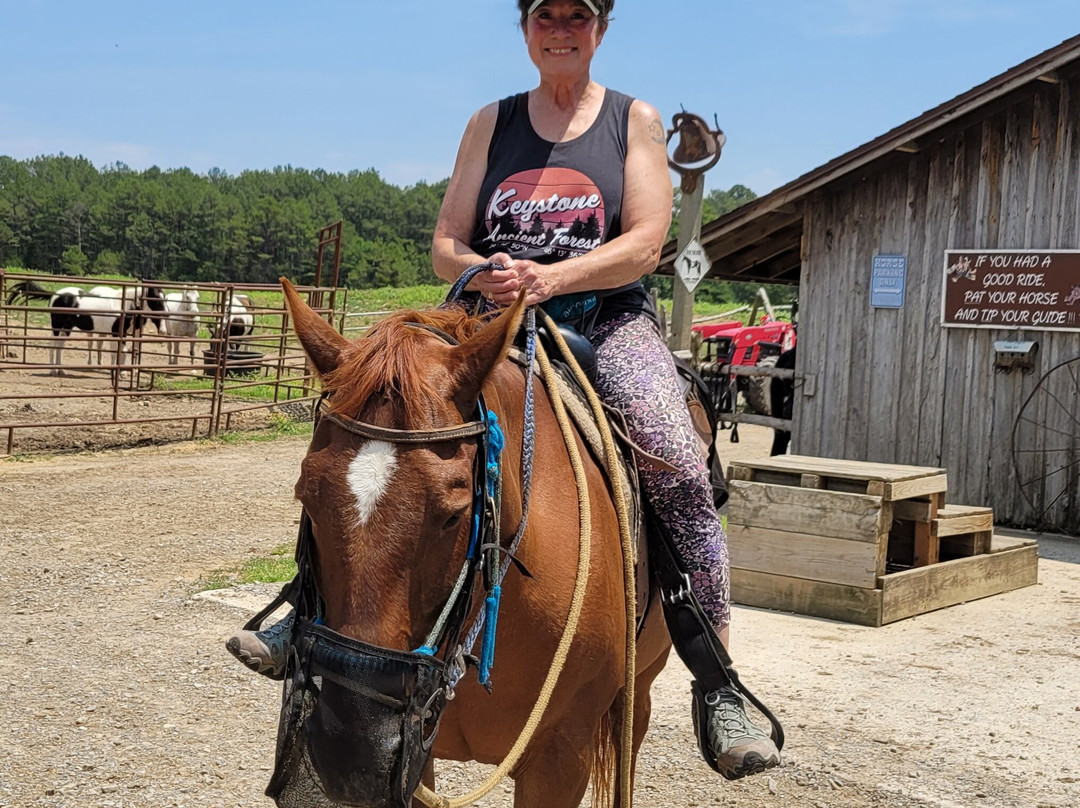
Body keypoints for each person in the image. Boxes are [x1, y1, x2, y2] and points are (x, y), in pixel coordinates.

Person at [227, 0, 780, 781]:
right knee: (367, 427)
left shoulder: (634, 120)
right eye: (545, 15)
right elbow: (447, 241)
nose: (561, 29)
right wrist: (480, 268)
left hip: (604, 317)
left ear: (600, 28)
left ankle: (717, 677)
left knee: (672, 452)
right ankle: (310, 608)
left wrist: (553, 276)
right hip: (483, 314)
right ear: (525, 29)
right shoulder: (492, 121)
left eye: (577, 16)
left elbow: (648, 242)